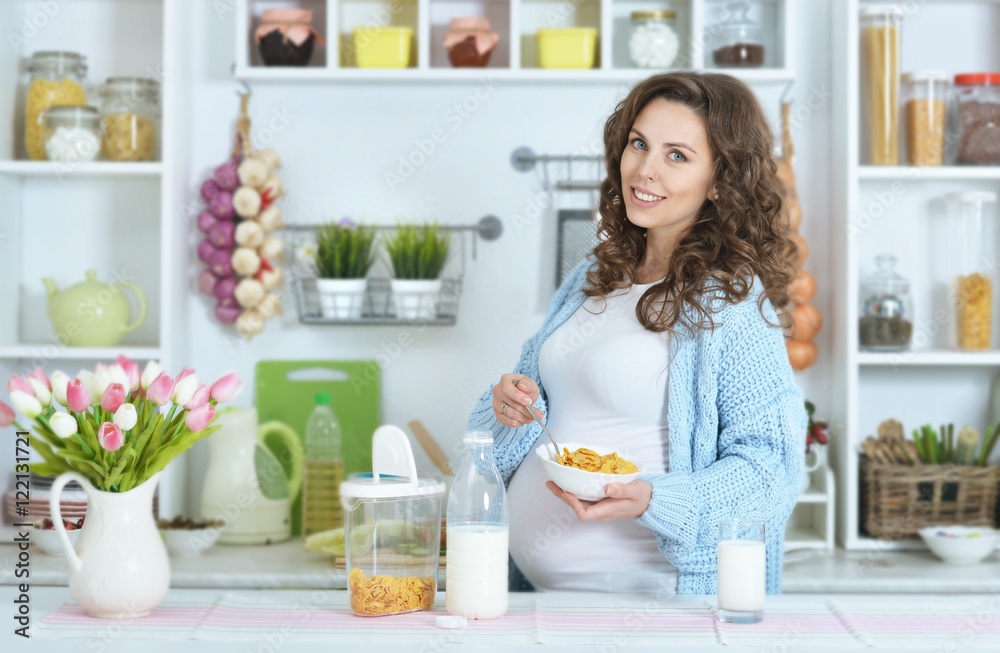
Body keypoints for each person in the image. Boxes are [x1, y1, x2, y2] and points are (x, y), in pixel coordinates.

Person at [466, 71, 807, 596]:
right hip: (544, 603)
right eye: (639, 144)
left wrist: (654, 500)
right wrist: (508, 406)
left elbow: (771, 472)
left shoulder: (732, 303)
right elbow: (510, 429)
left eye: (677, 155)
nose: (645, 171)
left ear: (719, 181)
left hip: (661, 612)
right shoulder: (593, 277)